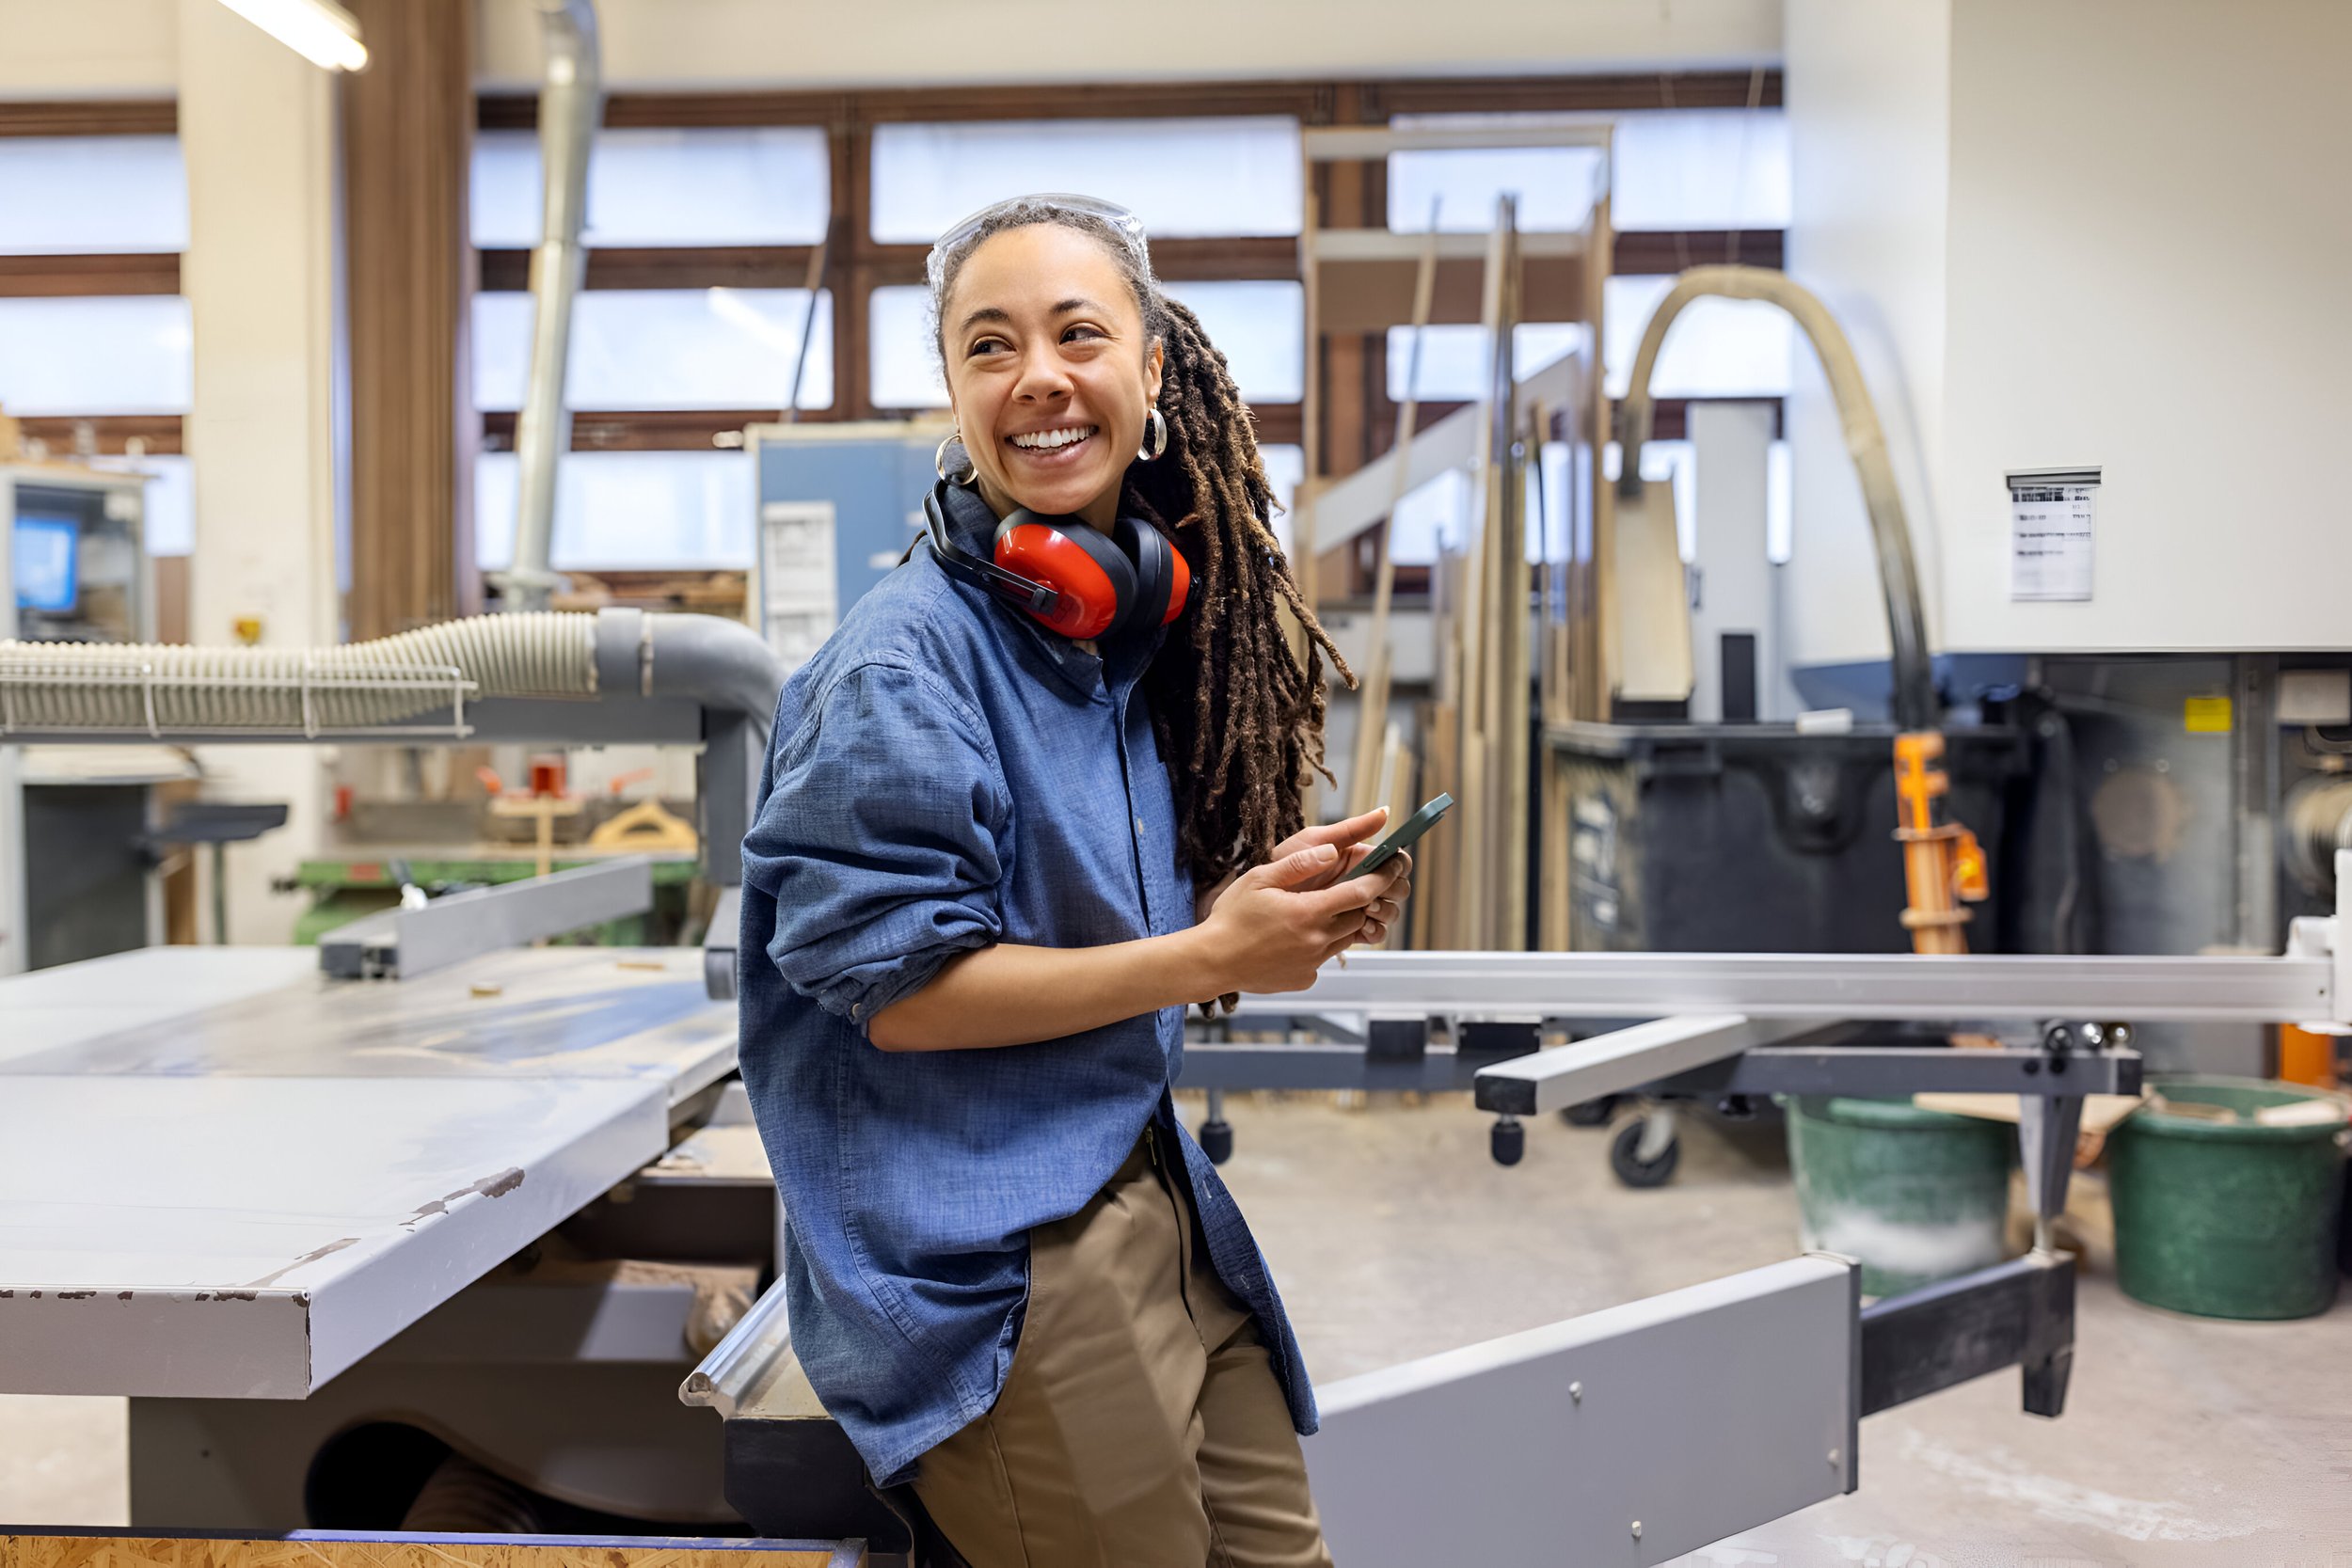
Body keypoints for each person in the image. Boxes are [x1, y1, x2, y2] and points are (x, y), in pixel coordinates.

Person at [739, 192, 1412, 1568]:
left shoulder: (1105, 631)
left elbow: (1082, 915)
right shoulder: (900, 669)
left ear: (1152, 368)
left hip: (1145, 1187)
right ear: (955, 389)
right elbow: (908, 995)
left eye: (1077, 334)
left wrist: (1249, 903)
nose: (1037, 377)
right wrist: (1210, 957)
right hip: (996, 1264)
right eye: (990, 346)